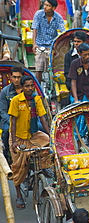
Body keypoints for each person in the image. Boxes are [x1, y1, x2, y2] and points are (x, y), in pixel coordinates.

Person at [9, 75, 50, 209]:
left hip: (32, 135)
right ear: (22, 87)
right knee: (18, 167)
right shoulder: (16, 100)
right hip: (18, 137)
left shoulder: (36, 99)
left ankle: (41, 168)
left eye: (32, 85)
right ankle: (19, 195)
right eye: (27, 86)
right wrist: (14, 142)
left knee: (47, 141)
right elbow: (13, 122)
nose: (30, 88)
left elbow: (43, 118)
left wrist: (51, 135)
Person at [32, 0, 65, 83]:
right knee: (39, 68)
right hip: (40, 45)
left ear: (53, 8)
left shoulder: (58, 17)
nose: (45, 7)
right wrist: (34, 44)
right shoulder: (38, 14)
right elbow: (35, 29)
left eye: (48, 5)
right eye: (45, 5)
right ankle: (38, 89)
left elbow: (62, 30)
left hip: (52, 45)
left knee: (54, 68)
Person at [0, 66, 24, 162]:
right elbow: (3, 111)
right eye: (14, 77)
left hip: (26, 118)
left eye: (19, 77)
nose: (16, 80)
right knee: (6, 131)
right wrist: (11, 122)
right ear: (11, 77)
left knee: (41, 129)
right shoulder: (5, 92)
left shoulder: (27, 89)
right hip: (9, 119)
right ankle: (6, 156)